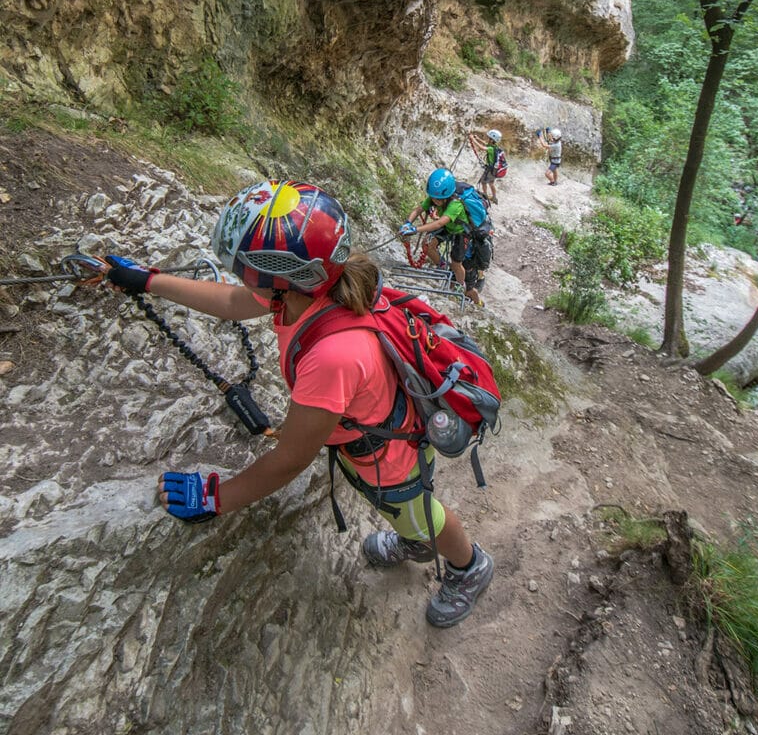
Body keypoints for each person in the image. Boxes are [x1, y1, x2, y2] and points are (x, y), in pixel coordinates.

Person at [104, 180, 493, 628]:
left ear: (281, 275)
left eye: (247, 268)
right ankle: (413, 539)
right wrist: (150, 281)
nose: (240, 277)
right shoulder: (312, 288)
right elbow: (232, 302)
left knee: (422, 513)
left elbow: (291, 459)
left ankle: (468, 566)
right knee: (403, 508)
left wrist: (217, 497)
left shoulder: (333, 356)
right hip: (376, 431)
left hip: (389, 453)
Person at [403, 168, 472, 292]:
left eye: (438, 199)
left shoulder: (455, 204)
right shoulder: (436, 196)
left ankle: (460, 285)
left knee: (456, 263)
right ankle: (443, 266)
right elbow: (418, 210)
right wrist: (408, 223)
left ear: (447, 195)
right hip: (448, 227)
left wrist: (415, 229)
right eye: (433, 198)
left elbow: (439, 223)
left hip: (461, 231)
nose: (435, 201)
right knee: (427, 244)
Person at [468, 129, 503, 205]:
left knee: (484, 182)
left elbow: (482, 147)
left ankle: (485, 196)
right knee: (491, 183)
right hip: (494, 169)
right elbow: (485, 144)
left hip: (490, 169)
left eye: (489, 138)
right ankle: (494, 197)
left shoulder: (490, 149)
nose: (488, 139)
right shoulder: (495, 146)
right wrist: (478, 139)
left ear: (492, 140)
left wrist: (473, 139)